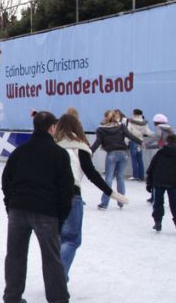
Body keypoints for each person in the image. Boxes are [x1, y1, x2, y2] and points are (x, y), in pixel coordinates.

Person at [1, 111, 73, 303]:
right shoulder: (59, 154)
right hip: (46, 213)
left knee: (15, 255)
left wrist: (11, 205)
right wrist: (60, 216)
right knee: (52, 259)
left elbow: (6, 181)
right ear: (52, 128)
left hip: (18, 210)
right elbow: (66, 190)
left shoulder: (20, 152)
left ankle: (11, 299)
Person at [54, 113, 127, 278]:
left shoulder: (52, 145)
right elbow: (92, 174)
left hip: (50, 197)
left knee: (56, 239)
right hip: (71, 194)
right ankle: (58, 276)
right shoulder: (80, 146)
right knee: (71, 239)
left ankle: (55, 273)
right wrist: (112, 193)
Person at [91, 110, 142, 210]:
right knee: (120, 177)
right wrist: (140, 142)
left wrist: (90, 151)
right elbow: (130, 136)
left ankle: (104, 204)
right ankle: (121, 202)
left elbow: (98, 142)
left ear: (105, 117)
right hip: (124, 154)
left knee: (109, 178)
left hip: (112, 154)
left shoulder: (101, 129)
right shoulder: (121, 126)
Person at [146, 134, 176, 233]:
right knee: (175, 203)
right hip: (173, 182)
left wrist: (149, 183)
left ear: (166, 142)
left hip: (158, 181)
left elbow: (151, 168)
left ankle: (157, 222)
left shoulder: (160, 153)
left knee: (158, 203)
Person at [127, 109, 151, 181]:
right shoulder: (144, 122)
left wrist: (126, 140)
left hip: (133, 140)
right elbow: (147, 131)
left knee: (134, 159)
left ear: (135, 114)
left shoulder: (131, 121)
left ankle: (135, 175)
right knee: (140, 159)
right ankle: (141, 176)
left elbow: (128, 131)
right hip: (141, 141)